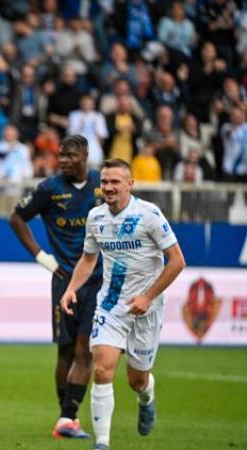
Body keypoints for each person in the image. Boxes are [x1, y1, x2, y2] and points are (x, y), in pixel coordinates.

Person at [61, 159, 186, 450]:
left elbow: (177, 261)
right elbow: (89, 259)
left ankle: (147, 396)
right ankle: (102, 443)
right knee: (102, 369)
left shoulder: (149, 215)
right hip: (110, 305)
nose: (108, 187)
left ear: (130, 184)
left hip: (147, 308)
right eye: (104, 181)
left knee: (136, 379)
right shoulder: (96, 217)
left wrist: (147, 296)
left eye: (116, 181)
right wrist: (71, 289)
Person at [9, 134, 103, 439]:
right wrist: (41, 257)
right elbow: (16, 217)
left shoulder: (103, 187)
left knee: (83, 350)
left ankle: (67, 417)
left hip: (98, 279)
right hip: (64, 280)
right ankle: (66, 417)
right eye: (60, 156)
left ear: (85, 155)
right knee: (65, 352)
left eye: (70, 155)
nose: (63, 160)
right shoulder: (49, 189)